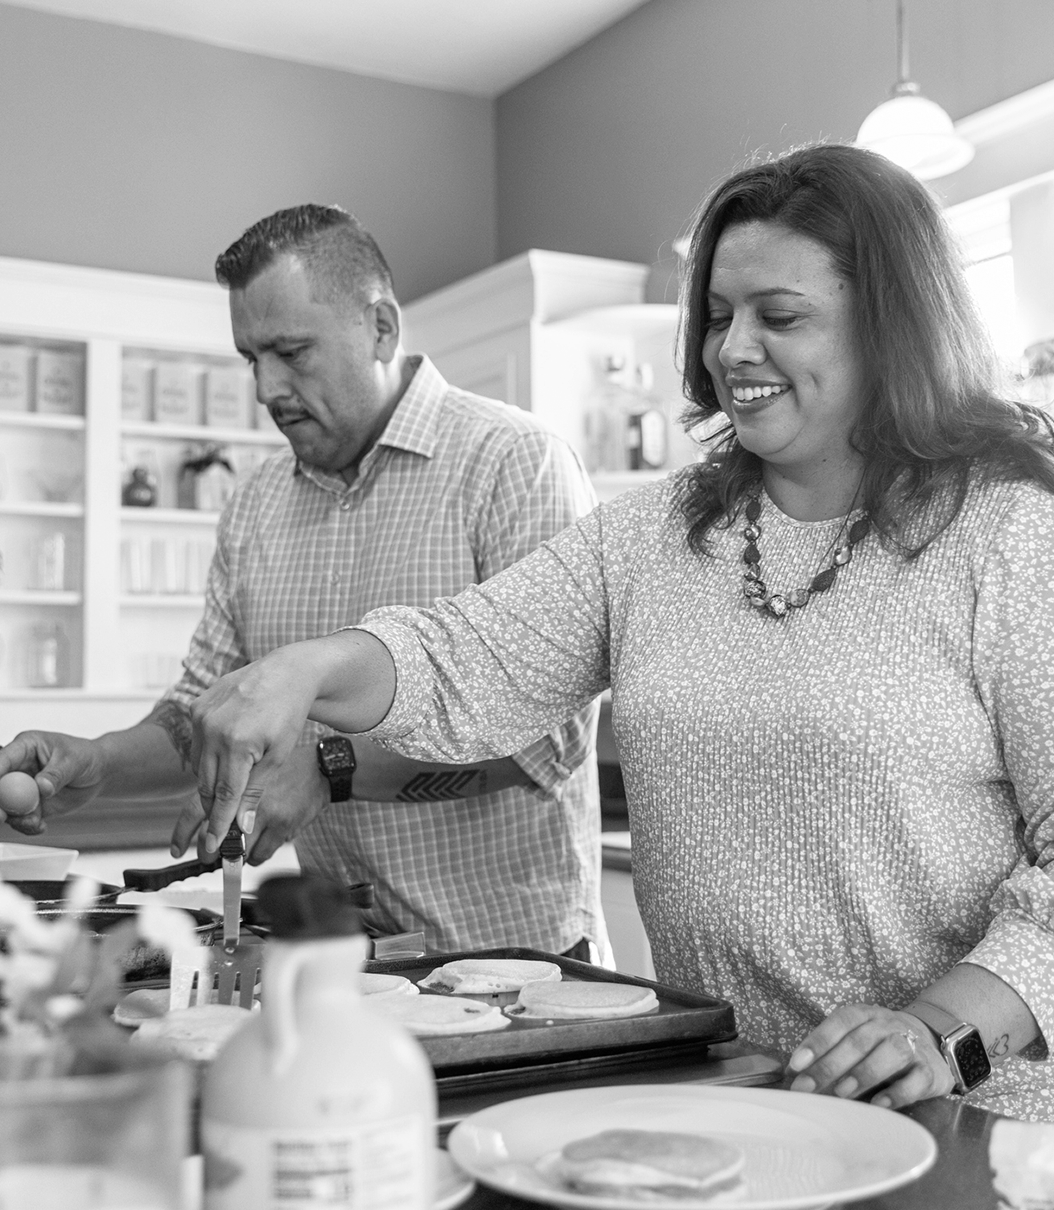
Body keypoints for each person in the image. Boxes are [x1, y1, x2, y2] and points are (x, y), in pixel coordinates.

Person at [182, 145, 1054, 1120]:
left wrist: (943, 1028)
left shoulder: (1008, 528)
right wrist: (310, 669)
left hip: (970, 1118)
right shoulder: (656, 533)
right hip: (738, 1088)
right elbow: (473, 653)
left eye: (781, 315)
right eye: (719, 316)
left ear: (894, 322)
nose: (732, 349)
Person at [0, 204, 607, 960]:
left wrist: (332, 771)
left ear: (381, 326)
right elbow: (208, 709)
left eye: (291, 351)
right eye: (250, 357)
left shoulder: (513, 462)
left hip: (517, 963)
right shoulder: (256, 501)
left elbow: (549, 739)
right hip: (339, 958)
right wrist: (98, 761)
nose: (265, 387)